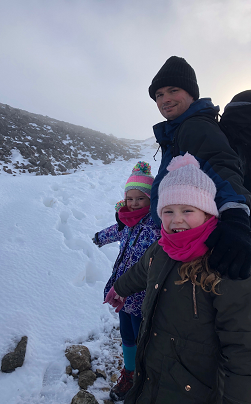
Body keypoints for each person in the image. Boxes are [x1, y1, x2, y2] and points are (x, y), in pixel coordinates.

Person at [105, 153, 251, 403]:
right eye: (168, 211)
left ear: (207, 212)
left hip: (195, 390)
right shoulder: (162, 247)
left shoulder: (225, 261)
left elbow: (242, 347)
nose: (177, 220)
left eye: (188, 210)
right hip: (152, 375)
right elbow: (143, 269)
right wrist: (121, 287)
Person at [148, 56, 251, 280]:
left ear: (191, 94)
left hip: (197, 240)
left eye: (173, 91)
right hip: (181, 234)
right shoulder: (177, 130)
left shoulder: (194, 126)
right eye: (159, 95)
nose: (165, 99)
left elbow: (220, 165)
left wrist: (236, 217)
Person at [93, 161, 160, 401]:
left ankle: (145, 375)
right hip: (122, 292)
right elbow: (116, 230)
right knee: (127, 336)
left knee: (143, 336)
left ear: (150, 200)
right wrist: (100, 237)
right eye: (129, 198)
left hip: (143, 294)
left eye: (139, 198)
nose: (133, 203)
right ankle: (129, 373)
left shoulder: (155, 225)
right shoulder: (127, 221)